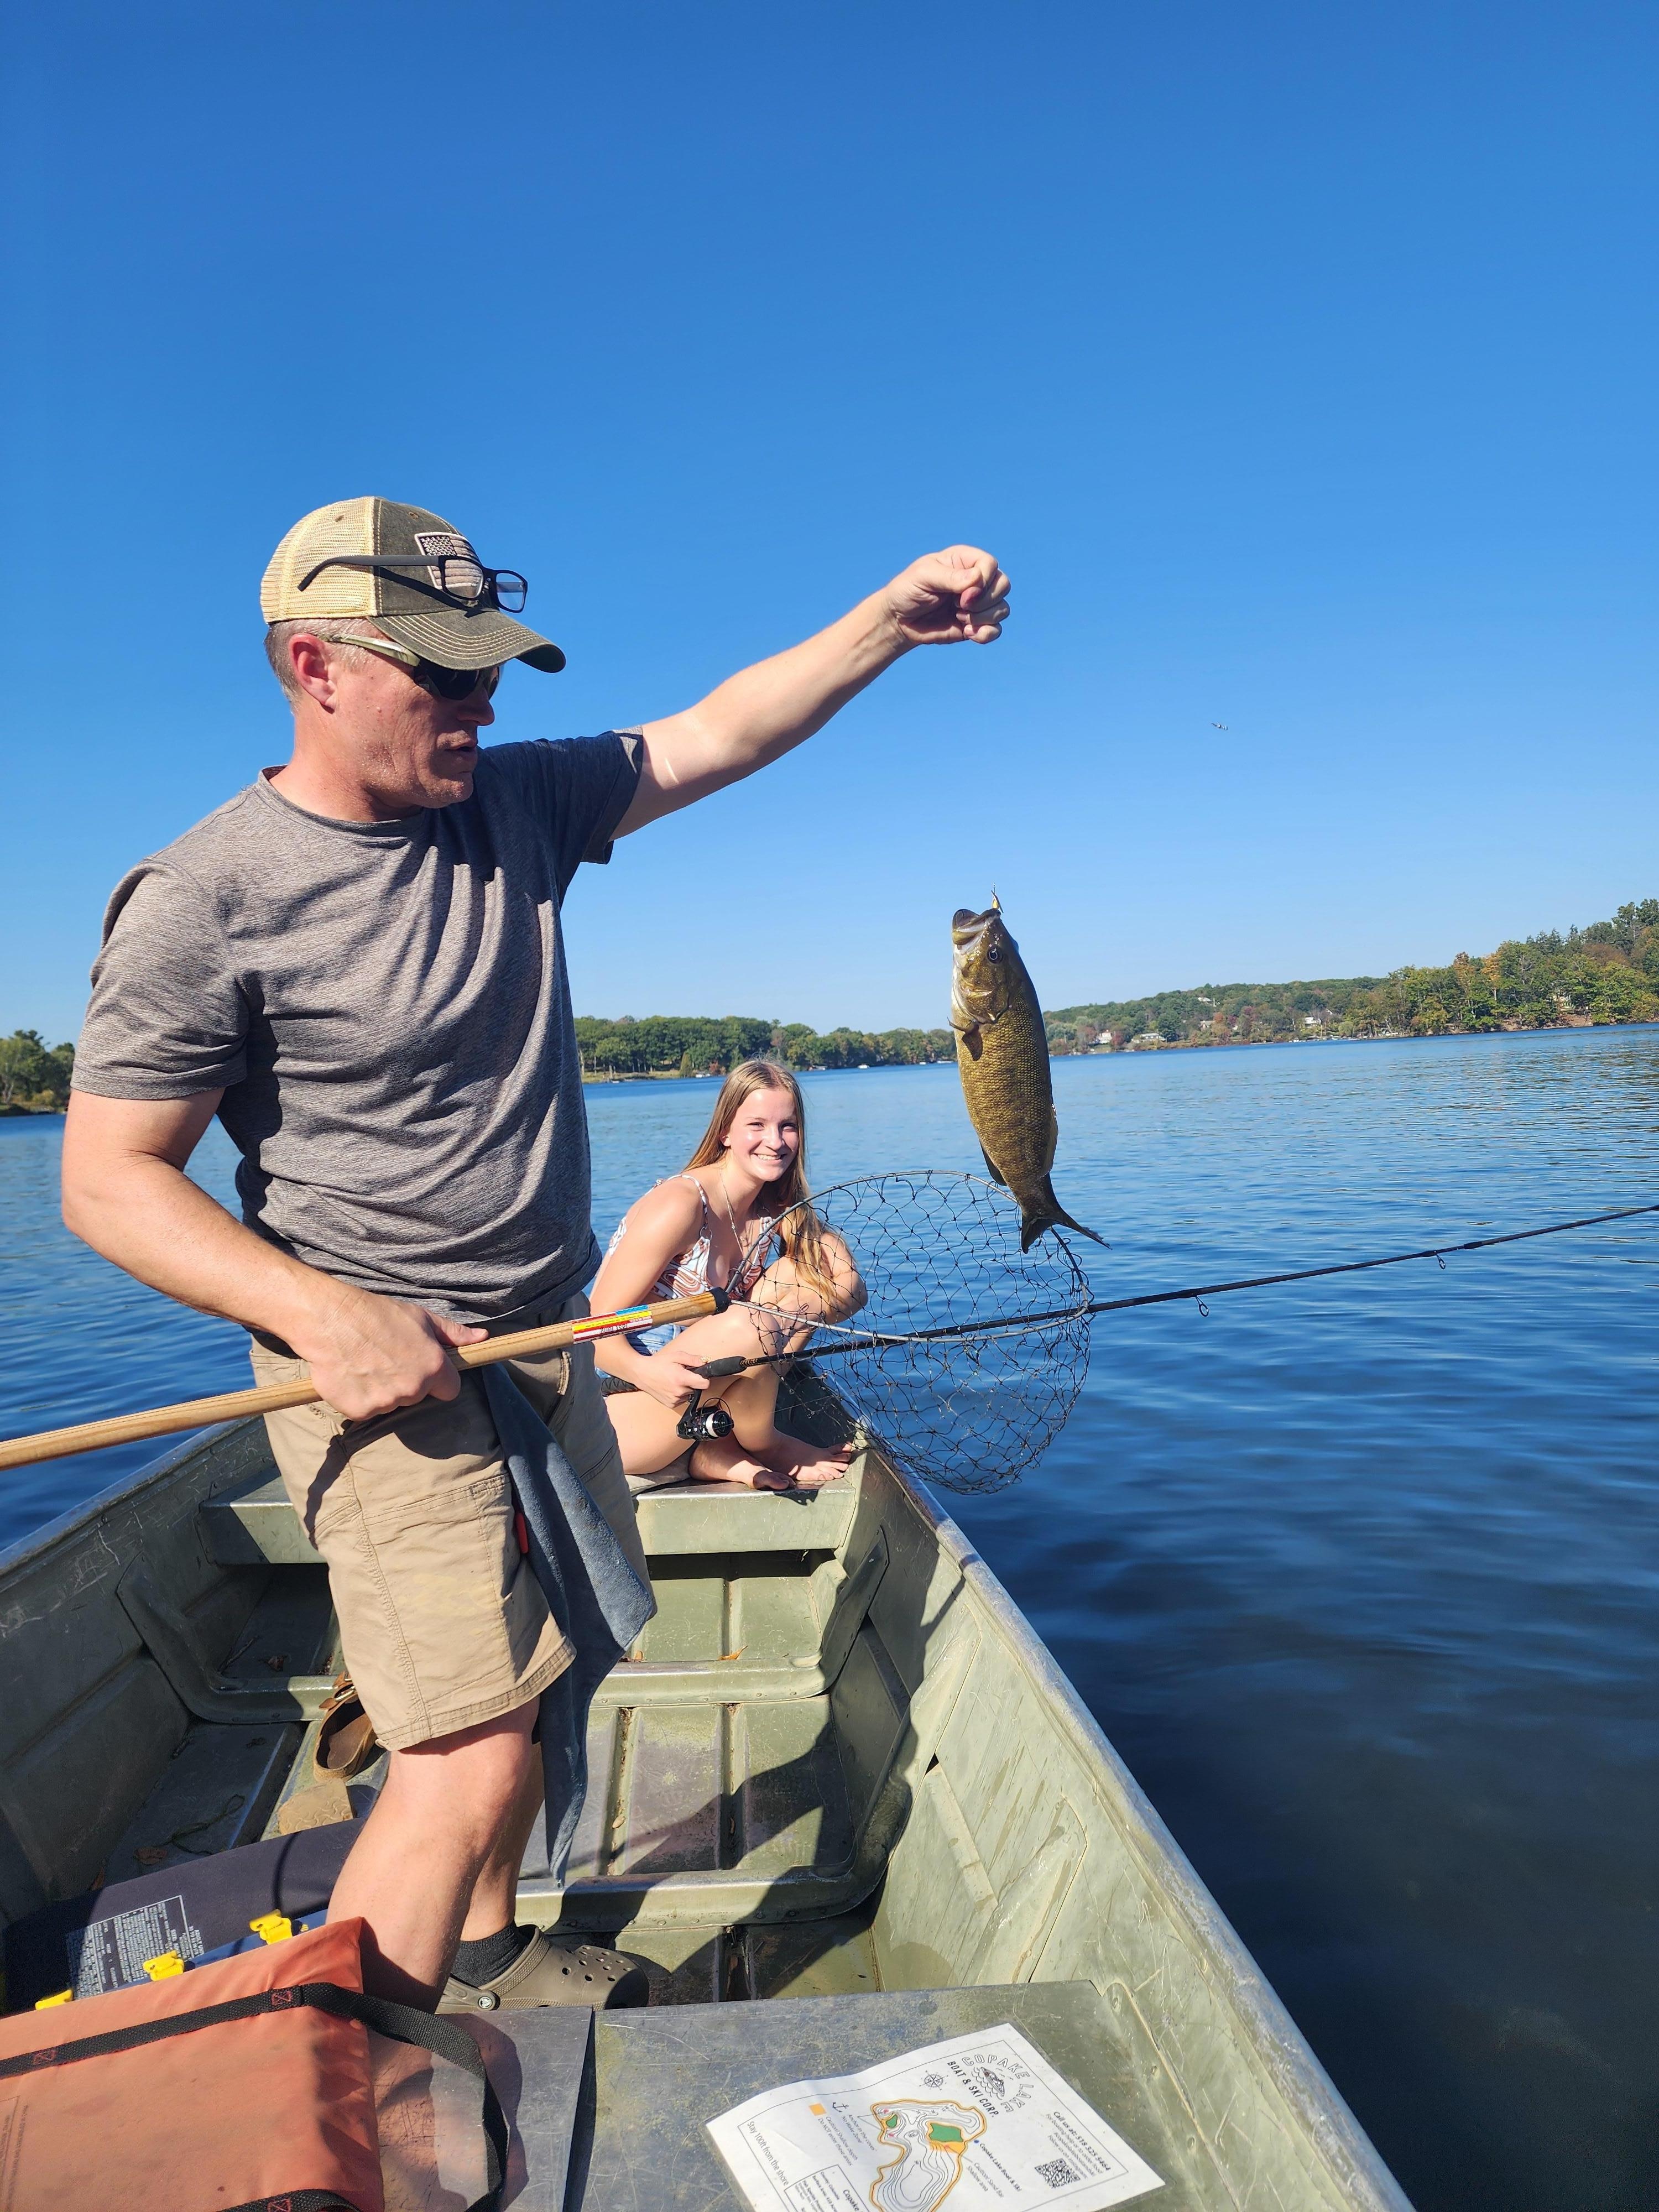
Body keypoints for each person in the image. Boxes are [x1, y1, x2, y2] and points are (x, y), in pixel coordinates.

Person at [60, 495, 1009, 2016]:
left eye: (492, 671)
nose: (485, 702)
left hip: (538, 1345)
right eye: (443, 676)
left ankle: (491, 1950)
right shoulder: (203, 898)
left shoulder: (513, 806)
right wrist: (327, 1319)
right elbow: (108, 1182)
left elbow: (716, 733)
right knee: (465, 1755)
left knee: (553, 1664)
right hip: (375, 1382)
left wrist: (888, 622)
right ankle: (314, 2120)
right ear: (312, 665)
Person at [590, 1060, 865, 1490]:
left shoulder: (771, 1209)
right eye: (756, 1125)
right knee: (745, 1322)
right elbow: (593, 1330)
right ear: (726, 1132)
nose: (774, 1142)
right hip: (622, 1409)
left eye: (787, 1126)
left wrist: (805, 1292)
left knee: (802, 1279)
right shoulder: (679, 1205)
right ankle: (764, 1443)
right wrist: (645, 1372)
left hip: (701, 1397)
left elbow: (849, 1290)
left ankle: (717, 1448)